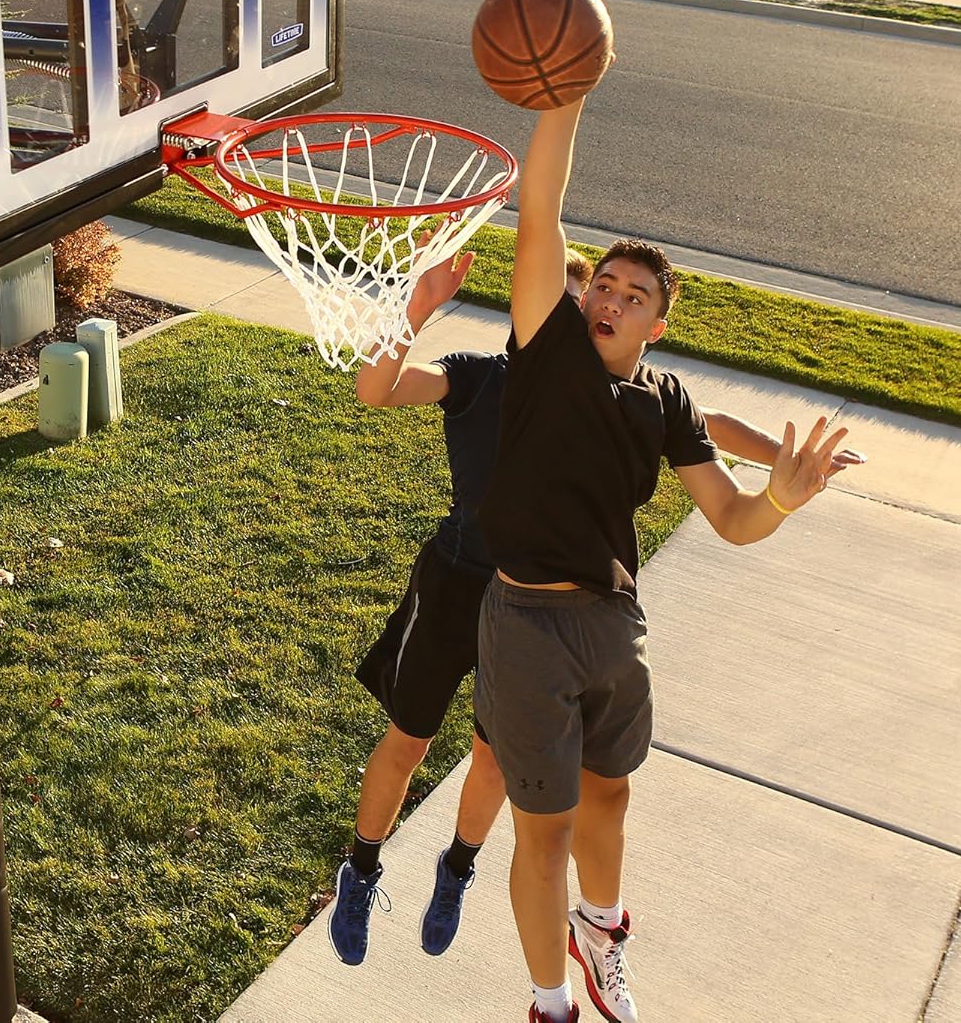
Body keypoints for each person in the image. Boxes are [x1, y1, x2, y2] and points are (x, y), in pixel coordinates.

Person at [329, 242, 860, 973]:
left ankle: (456, 869)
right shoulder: (485, 380)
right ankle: (360, 869)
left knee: (492, 765)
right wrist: (416, 308)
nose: (594, 313)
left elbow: (708, 422)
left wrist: (786, 465)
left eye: (609, 303)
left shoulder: (612, 397)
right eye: (584, 299)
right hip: (458, 583)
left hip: (532, 616)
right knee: (409, 740)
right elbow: (378, 388)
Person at [473, 99, 850, 1023]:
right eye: (601, 283)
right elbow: (540, 217)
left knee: (611, 799)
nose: (606, 298)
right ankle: (549, 1004)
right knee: (547, 830)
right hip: (525, 624)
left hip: (611, 623)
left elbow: (728, 514)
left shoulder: (665, 400)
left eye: (630, 296)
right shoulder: (547, 351)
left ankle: (600, 932)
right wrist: (564, 102)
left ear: (658, 326)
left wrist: (782, 499)